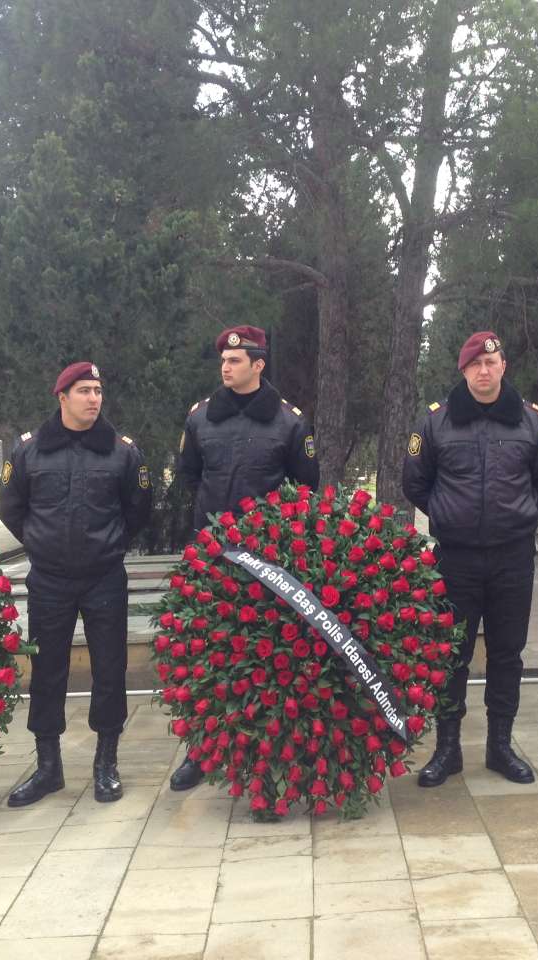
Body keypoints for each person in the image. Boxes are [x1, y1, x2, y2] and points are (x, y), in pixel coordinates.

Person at [402, 331, 538, 787]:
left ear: (503, 366)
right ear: (464, 370)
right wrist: (450, 516)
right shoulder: (435, 422)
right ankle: (447, 749)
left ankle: (500, 746)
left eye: (491, 362)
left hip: (513, 557)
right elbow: (416, 481)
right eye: (476, 364)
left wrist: (517, 514)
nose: (484, 371)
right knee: (451, 652)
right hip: (456, 559)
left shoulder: (532, 422)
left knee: (507, 653)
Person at [170, 324, 319, 790]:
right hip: (212, 557)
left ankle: (272, 746)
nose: (225, 367)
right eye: (223, 360)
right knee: (206, 655)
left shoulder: (289, 422)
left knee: (271, 655)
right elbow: (188, 476)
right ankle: (201, 749)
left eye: (235, 361)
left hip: (267, 563)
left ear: (258, 365)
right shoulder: (200, 418)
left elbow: (305, 487)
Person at [0, 362, 152, 805]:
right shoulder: (30, 451)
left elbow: (138, 509)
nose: (94, 398)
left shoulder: (122, 452)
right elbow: (11, 506)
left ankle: (106, 764)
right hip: (49, 578)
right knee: (47, 671)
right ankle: (48, 768)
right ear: (62, 397)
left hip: (103, 575)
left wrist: (111, 544)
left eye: (98, 390)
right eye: (84, 390)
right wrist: (40, 544)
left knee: (109, 668)